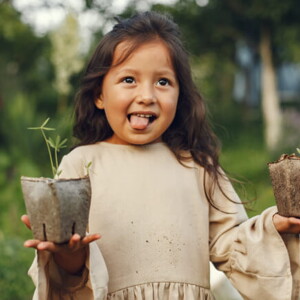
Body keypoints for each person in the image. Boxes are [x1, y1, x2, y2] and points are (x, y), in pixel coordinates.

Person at [22, 11, 300, 300]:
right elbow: (72, 272)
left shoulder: (197, 166)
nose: (147, 95)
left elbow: (232, 246)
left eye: (163, 82)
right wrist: (69, 251)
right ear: (99, 95)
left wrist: (274, 227)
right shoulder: (81, 164)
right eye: (129, 79)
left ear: (180, 95)